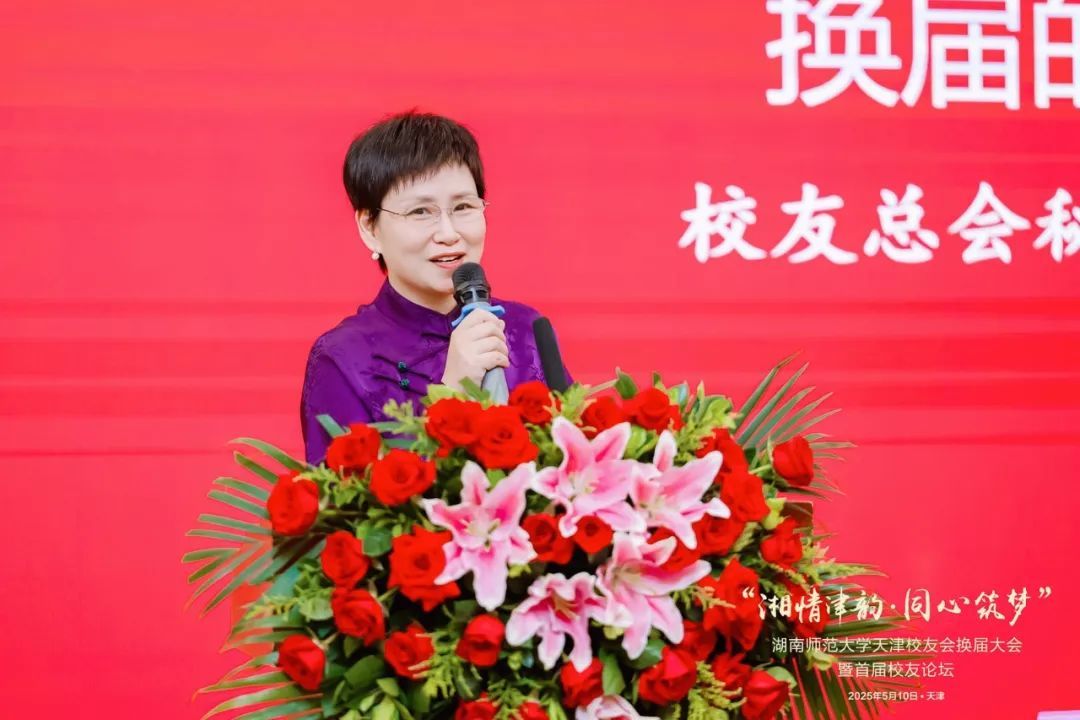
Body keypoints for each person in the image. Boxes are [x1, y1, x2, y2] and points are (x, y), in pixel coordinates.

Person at [300, 111, 570, 465]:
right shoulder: (342, 359)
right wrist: (452, 393)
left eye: (463, 207)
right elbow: (345, 496)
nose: (448, 233)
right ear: (369, 227)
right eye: (420, 212)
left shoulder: (527, 329)